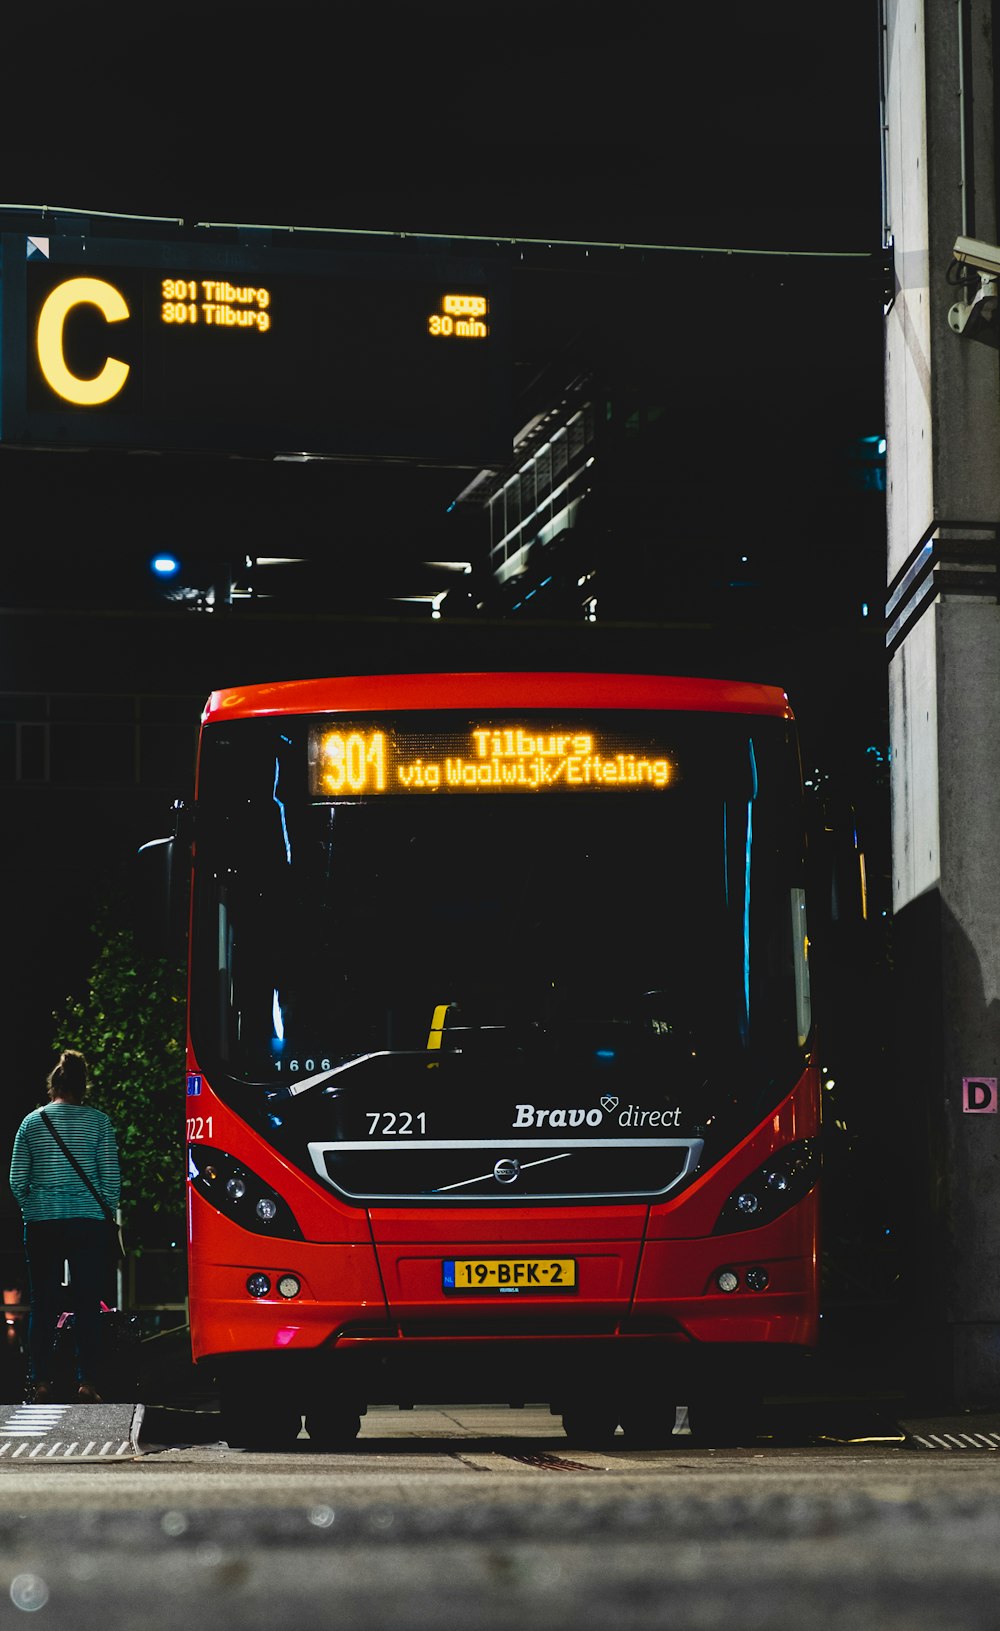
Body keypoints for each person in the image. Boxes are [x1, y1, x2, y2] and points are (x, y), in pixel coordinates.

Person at [8, 1049, 121, 1404]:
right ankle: (87, 1380)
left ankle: (40, 1381)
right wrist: (91, 1204)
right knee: (88, 1302)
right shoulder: (99, 1122)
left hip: (43, 1224)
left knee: (44, 1303)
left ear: (53, 1084)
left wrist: (36, 1206)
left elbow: (16, 1180)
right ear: (81, 1085)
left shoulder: (31, 1123)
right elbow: (112, 1183)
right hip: (87, 1223)